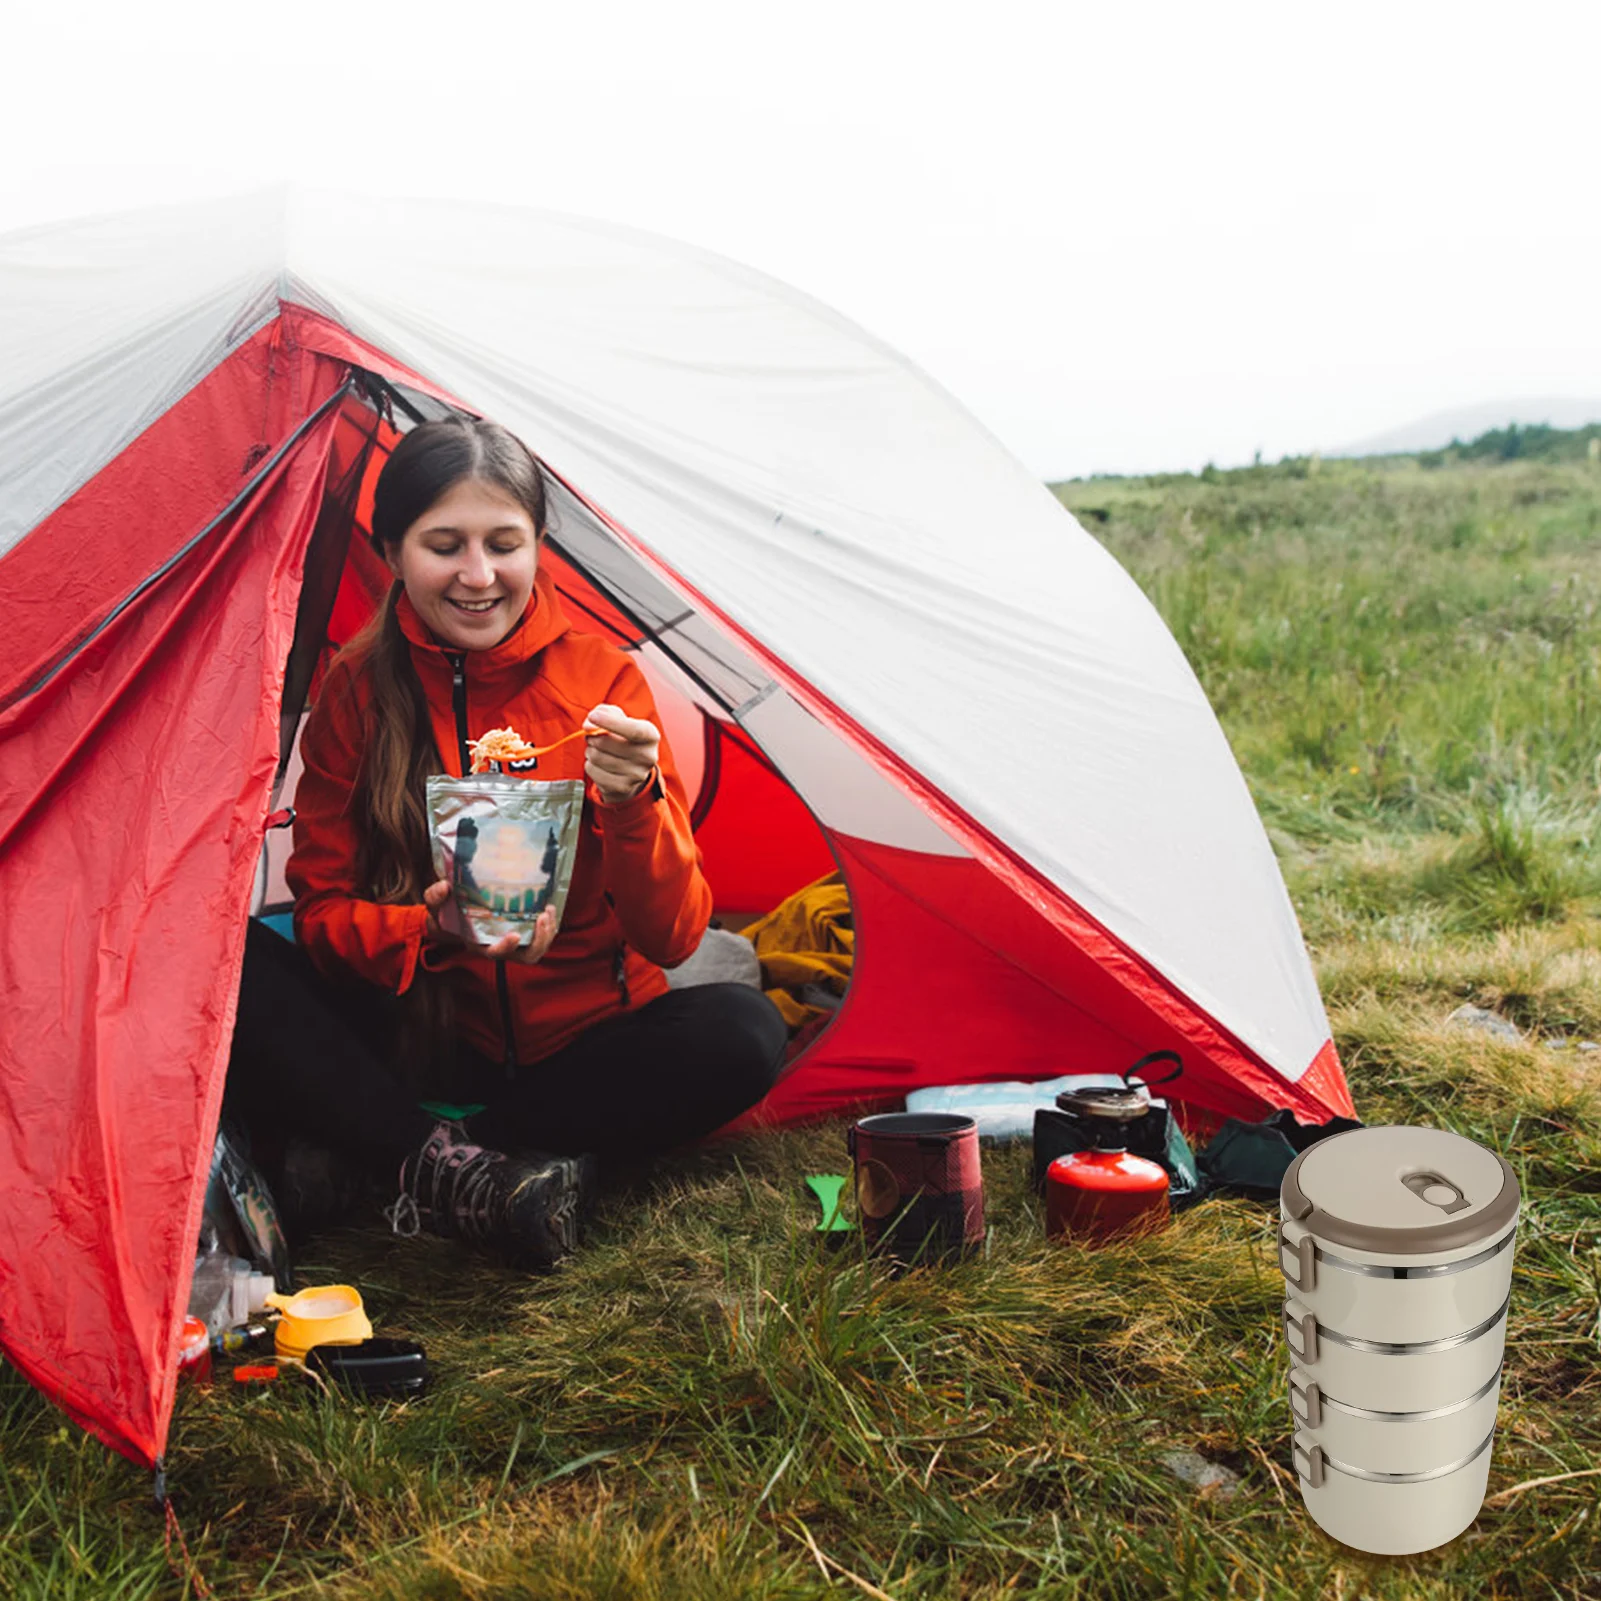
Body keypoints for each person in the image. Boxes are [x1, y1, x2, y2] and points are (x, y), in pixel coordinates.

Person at [225, 417, 788, 1269]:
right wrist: (426, 931)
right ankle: (458, 1167)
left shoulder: (602, 680)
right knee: (228, 966)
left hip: (579, 1051)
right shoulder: (355, 690)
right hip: (419, 1032)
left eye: (504, 543)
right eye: (443, 544)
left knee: (741, 1029)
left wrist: (634, 799)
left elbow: (673, 936)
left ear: (538, 546)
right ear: (391, 548)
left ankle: (401, 1154)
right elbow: (324, 919)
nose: (478, 576)